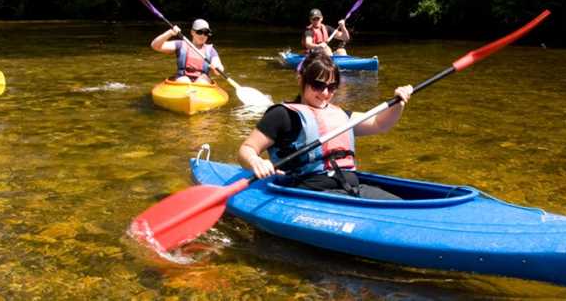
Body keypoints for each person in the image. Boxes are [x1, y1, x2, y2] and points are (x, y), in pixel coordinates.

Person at [238, 51, 413, 199]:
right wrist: (256, 161)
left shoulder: (340, 115)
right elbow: (246, 149)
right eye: (317, 85)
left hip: (351, 189)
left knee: (405, 206)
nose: (325, 93)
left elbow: (379, 123)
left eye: (331, 87)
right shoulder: (282, 115)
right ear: (301, 79)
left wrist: (399, 103)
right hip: (310, 193)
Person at [150, 19, 224, 84]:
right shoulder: (181, 44)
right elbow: (155, 46)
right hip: (182, 80)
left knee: (203, 80)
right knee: (184, 80)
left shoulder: (210, 50)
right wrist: (170, 33)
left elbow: (219, 68)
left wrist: (217, 68)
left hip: (202, 83)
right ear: (192, 32)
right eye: (200, 32)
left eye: (206, 33)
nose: (203, 35)